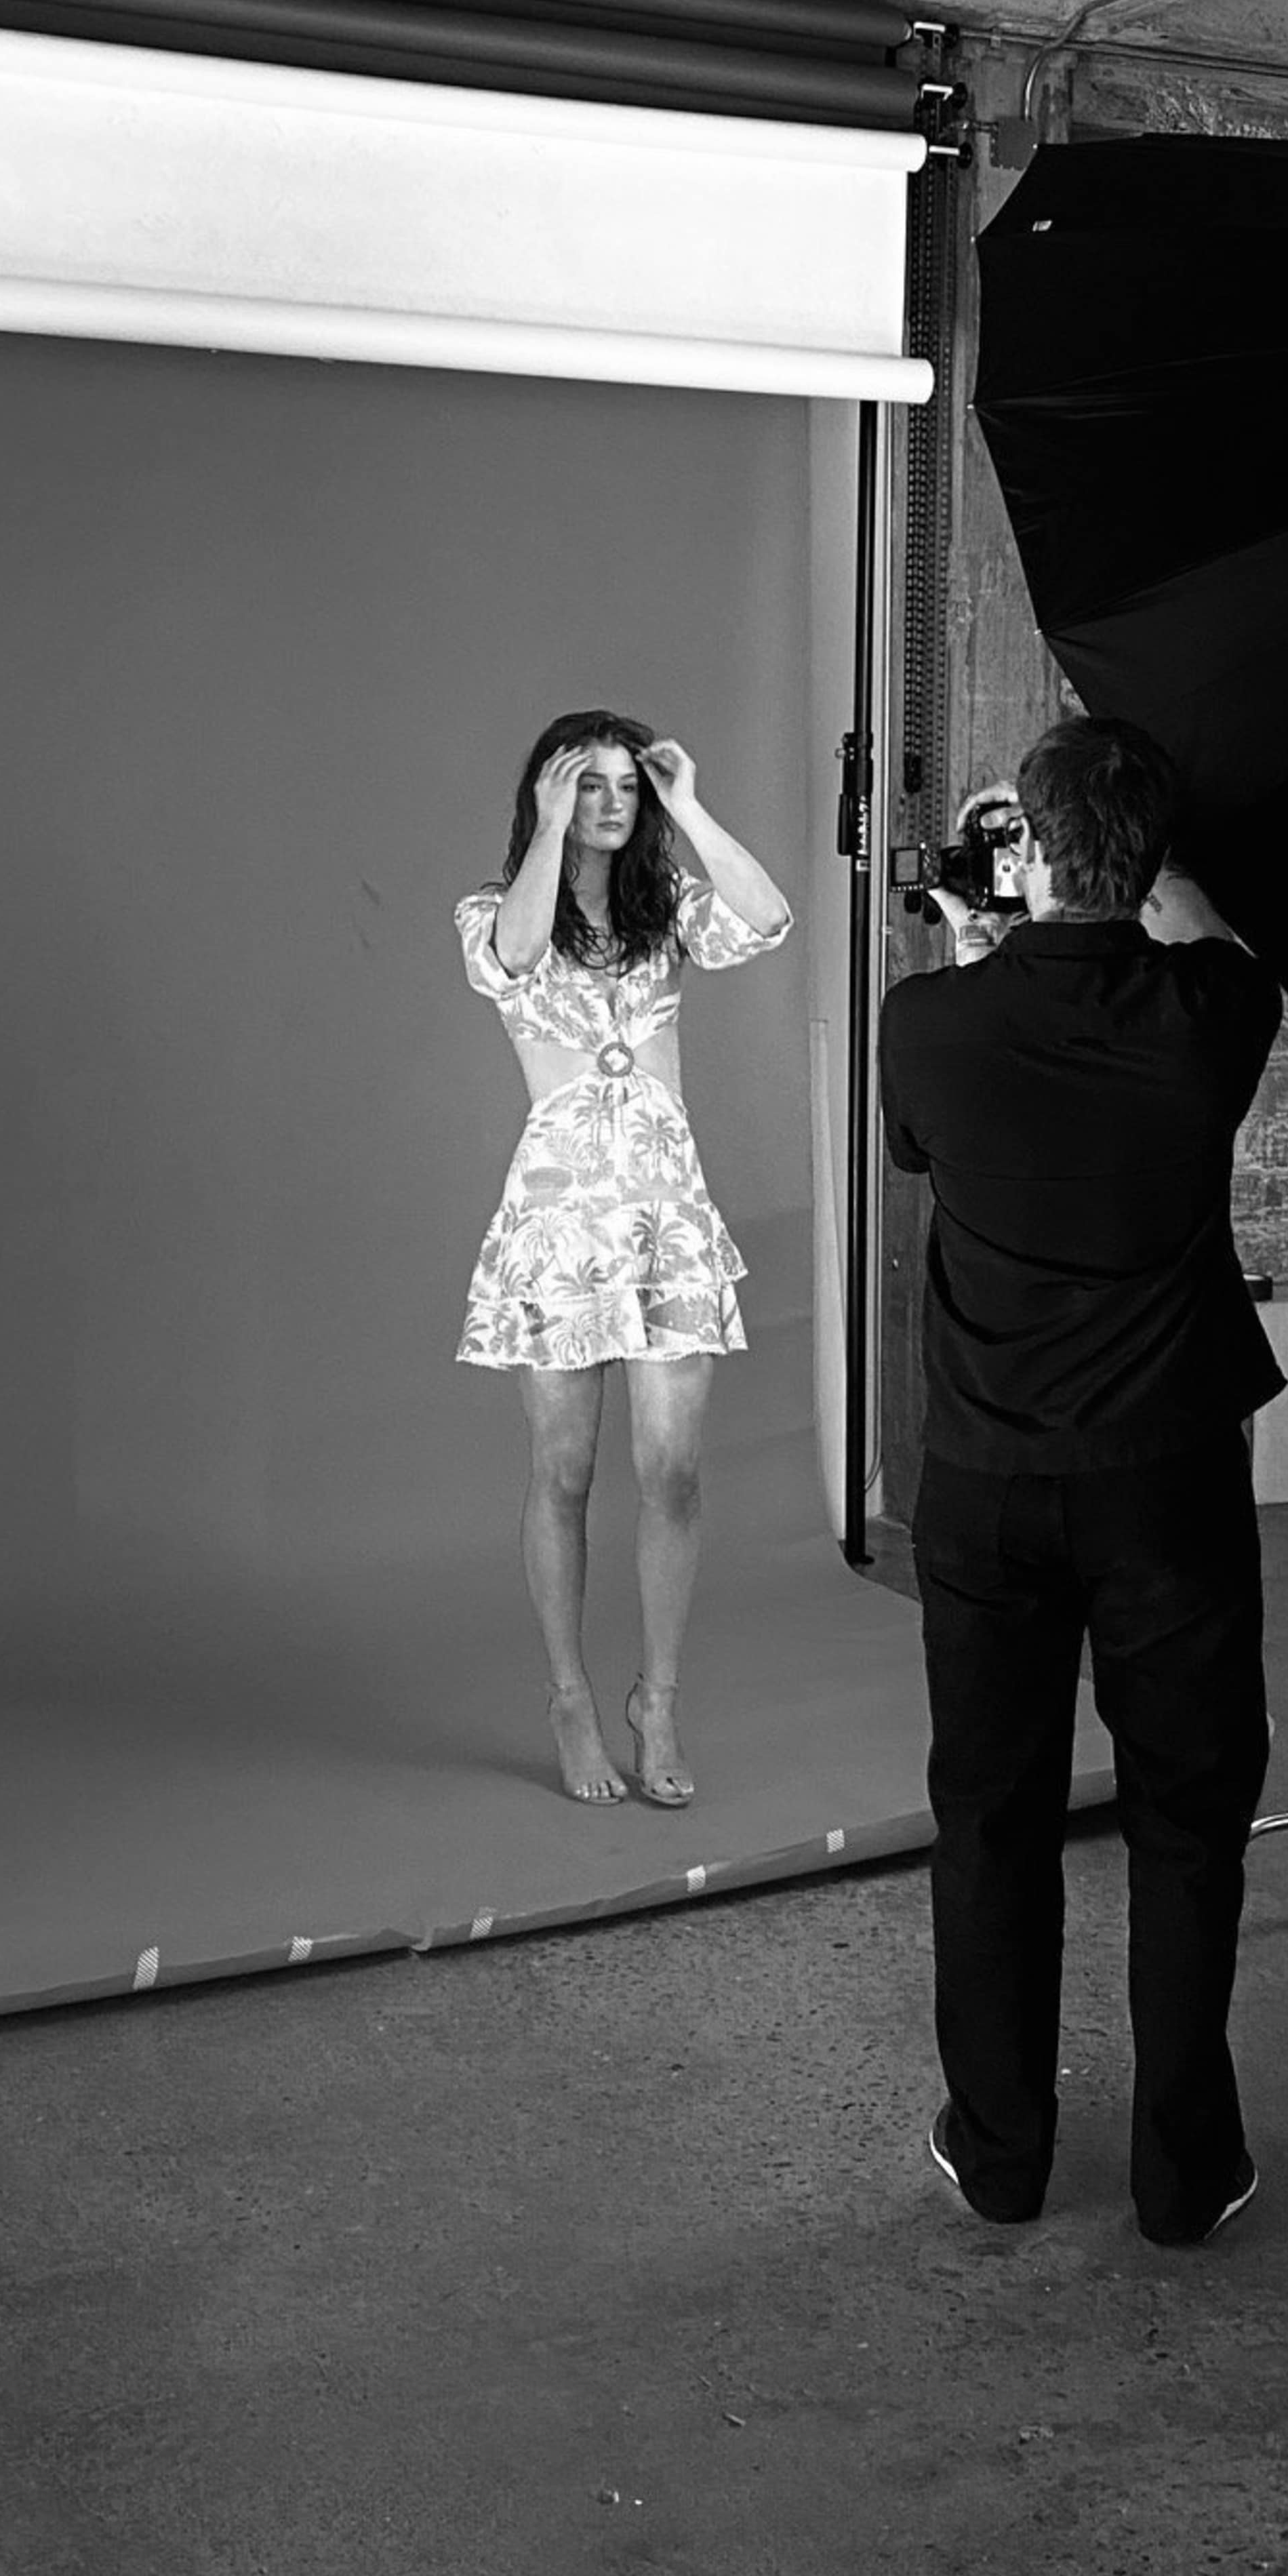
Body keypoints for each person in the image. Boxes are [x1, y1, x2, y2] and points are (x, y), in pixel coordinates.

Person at [877, 716, 1283, 2246]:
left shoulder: (929, 1022)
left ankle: (1002, 2152)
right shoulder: (1215, 1009)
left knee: (991, 1814)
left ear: (1030, 852)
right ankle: (1186, 2173)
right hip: (1165, 1483)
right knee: (1190, 1817)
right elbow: (1193, 938)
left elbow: (936, 1138)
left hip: (984, 1488)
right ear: (1150, 861)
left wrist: (990, 942)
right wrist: (1133, 876)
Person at [456, 712, 791, 1810]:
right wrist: (548, 828)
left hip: (667, 1221)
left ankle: (662, 1696)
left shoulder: (669, 915)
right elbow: (510, 961)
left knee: (674, 1471)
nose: (609, 802)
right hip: (558, 1232)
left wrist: (688, 802)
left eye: (624, 787)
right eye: (585, 785)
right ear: (548, 795)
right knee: (563, 1474)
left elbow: (771, 918)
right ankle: (568, 1696)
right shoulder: (492, 914)